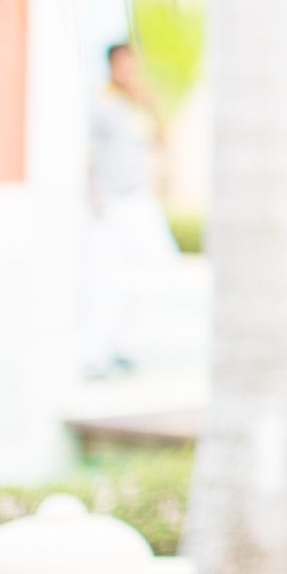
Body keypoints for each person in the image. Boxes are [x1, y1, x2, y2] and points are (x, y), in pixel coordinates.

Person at [82, 41, 176, 378]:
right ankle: (97, 355)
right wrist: (94, 196)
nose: (130, 71)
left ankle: (124, 344)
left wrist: (151, 105)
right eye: (124, 64)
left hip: (138, 199)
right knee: (103, 279)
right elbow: (87, 152)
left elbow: (160, 139)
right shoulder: (103, 104)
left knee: (158, 264)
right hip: (109, 202)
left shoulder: (136, 104)